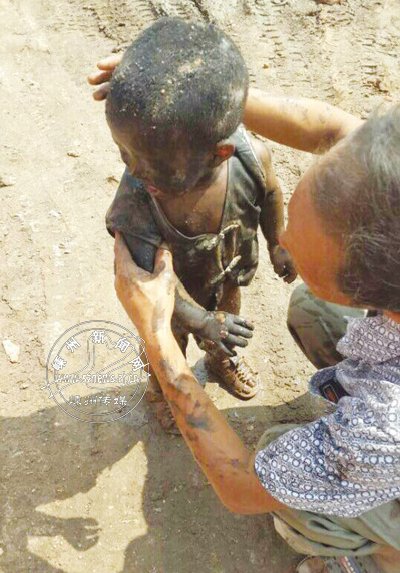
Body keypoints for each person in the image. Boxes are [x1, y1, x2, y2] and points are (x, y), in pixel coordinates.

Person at [89, 59, 400, 572]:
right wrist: (204, 94)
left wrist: (156, 332)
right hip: (202, 297)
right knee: (306, 311)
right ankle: (167, 389)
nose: (286, 237)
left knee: (281, 460)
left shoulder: (382, 432)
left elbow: (238, 485)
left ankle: (374, 556)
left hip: (382, 447)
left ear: (373, 297)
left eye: (303, 249)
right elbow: (329, 128)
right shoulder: (389, 179)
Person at [102, 18, 296, 433]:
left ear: (218, 154)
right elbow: (152, 284)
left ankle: (220, 359)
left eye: (154, 164)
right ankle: (164, 392)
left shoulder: (249, 159)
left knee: (226, 325)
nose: (134, 169)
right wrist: (200, 320)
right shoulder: (138, 199)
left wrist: (277, 242)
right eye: (124, 152)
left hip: (225, 279)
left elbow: (271, 194)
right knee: (164, 348)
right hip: (171, 302)